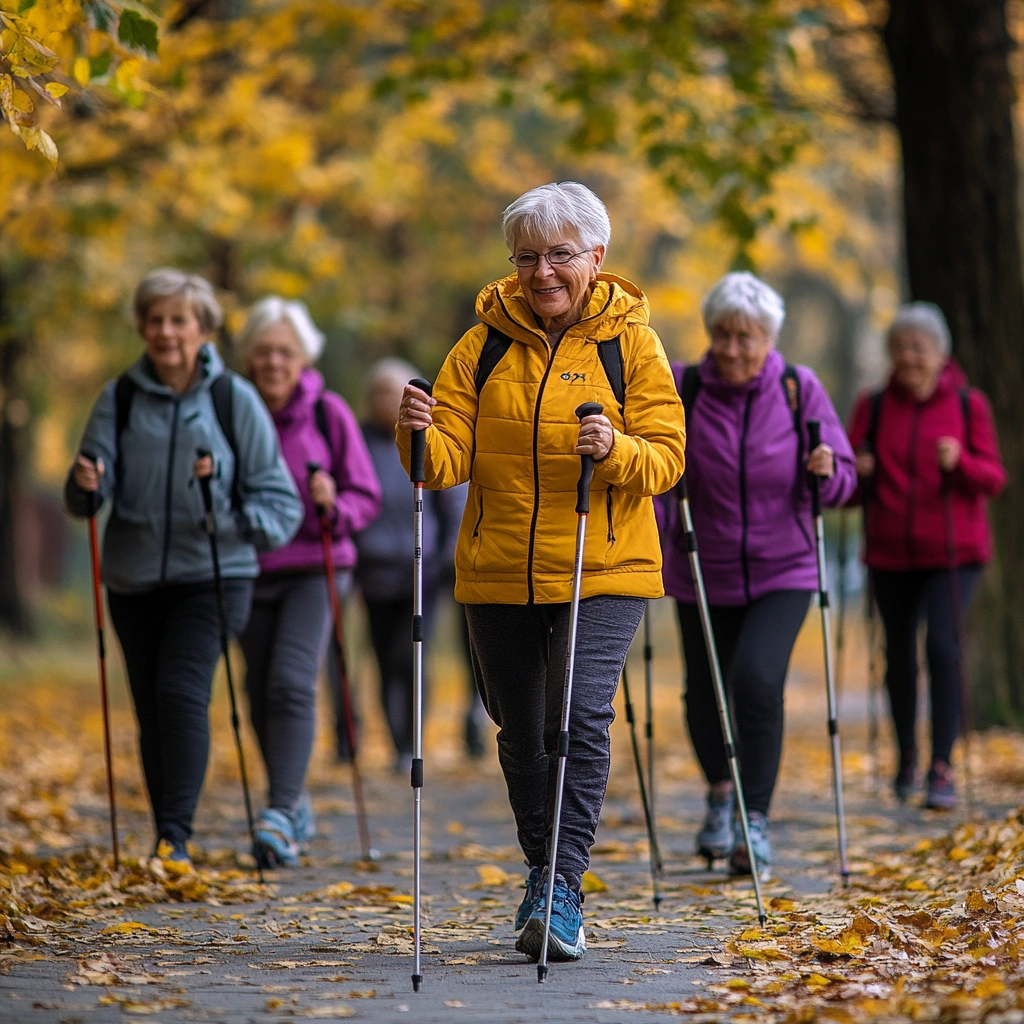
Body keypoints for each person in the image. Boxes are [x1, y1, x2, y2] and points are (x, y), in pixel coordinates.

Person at [397, 182, 685, 964]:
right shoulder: (480, 345)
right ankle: (541, 869)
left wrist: (614, 449)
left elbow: (666, 457)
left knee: (576, 715)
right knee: (519, 731)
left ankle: (562, 884)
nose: (542, 271)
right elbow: (446, 461)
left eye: (559, 254)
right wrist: (417, 434)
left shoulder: (634, 346)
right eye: (527, 256)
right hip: (498, 571)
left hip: (605, 563)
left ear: (596, 256)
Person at [64, 268, 302, 870]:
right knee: (150, 705)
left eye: (178, 320)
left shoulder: (232, 399)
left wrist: (222, 501)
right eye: (155, 320)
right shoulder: (119, 396)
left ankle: (175, 838)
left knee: (179, 692)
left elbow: (280, 504)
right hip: (133, 578)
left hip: (215, 575)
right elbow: (86, 495)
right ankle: (167, 835)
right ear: (142, 327)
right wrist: (84, 483)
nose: (166, 332)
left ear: (203, 330)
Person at [661, 271, 856, 878]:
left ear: (769, 338)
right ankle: (722, 793)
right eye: (722, 334)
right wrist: (659, 535)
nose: (733, 348)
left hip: (785, 567)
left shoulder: (800, 389)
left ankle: (755, 821)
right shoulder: (685, 387)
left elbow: (846, 480)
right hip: (702, 565)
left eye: (746, 336)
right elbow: (661, 470)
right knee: (702, 695)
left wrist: (829, 470)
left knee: (756, 680)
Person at [235, 296, 381, 866]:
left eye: (284, 352)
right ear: (248, 356)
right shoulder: (233, 408)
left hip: (317, 568)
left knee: (292, 682)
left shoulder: (329, 412)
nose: (273, 362)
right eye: (263, 351)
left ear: (303, 358)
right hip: (249, 565)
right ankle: (290, 803)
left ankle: (278, 811)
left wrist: (334, 506)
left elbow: (364, 494)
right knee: (256, 689)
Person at [848, 302, 1005, 810]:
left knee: (942, 648)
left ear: (941, 354)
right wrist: (860, 470)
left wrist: (960, 463)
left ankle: (942, 765)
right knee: (896, 658)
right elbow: (846, 488)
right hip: (890, 552)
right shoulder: (872, 407)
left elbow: (992, 479)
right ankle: (905, 759)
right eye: (901, 348)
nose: (909, 357)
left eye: (920, 348)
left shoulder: (966, 403)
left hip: (953, 554)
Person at [353, 359, 472, 770]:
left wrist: (446, 552)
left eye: (395, 393)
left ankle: (413, 741)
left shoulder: (429, 435)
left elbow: (451, 495)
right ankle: (396, 743)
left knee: (413, 656)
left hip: (422, 570)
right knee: (384, 659)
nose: (387, 401)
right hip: (373, 572)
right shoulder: (359, 441)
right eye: (381, 394)